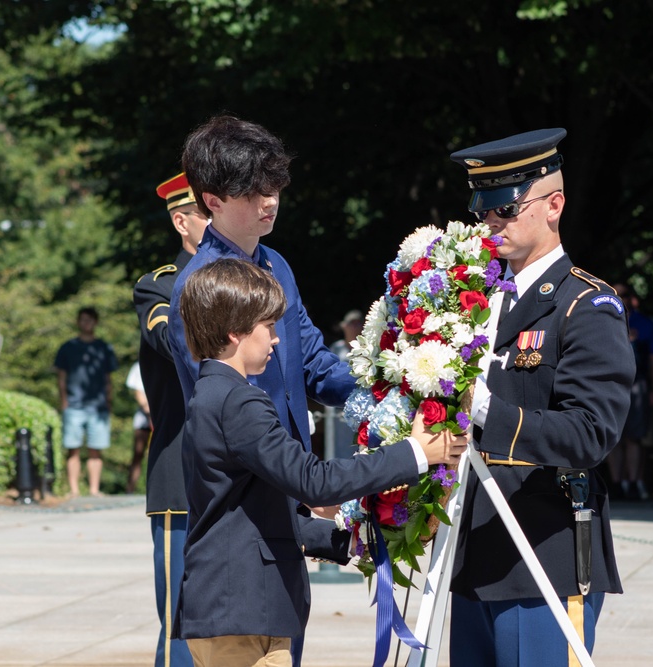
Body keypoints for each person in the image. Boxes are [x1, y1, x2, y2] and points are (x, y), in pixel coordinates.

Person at [172, 258, 467, 667]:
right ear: (234, 332)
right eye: (269, 327)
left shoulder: (209, 394)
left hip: (228, 608)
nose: (276, 341)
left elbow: (245, 513)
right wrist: (416, 452)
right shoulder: (239, 400)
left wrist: (343, 541)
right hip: (243, 614)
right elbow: (314, 483)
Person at [167, 115, 358, 666]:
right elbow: (223, 401)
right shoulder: (201, 289)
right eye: (253, 191)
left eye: (274, 187)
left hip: (290, 488)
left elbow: (317, 366)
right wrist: (308, 479)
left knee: (282, 643)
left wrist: (385, 390)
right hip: (252, 490)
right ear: (212, 199)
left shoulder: (278, 267)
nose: (269, 201)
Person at [448, 128, 636, 665]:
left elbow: (590, 435)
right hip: (476, 551)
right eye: (483, 207)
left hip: (544, 553)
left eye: (506, 207)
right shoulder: (475, 303)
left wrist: (486, 410)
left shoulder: (586, 305)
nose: (491, 222)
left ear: (554, 205)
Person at [133, 171, 209, 667]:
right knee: (181, 625)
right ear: (183, 220)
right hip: (180, 478)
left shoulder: (259, 278)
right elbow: (172, 343)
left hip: (242, 477)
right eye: (209, 211)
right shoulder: (159, 287)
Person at [54, 306, 119, 498]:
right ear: (78, 322)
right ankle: (74, 491)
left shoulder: (104, 348)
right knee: (72, 449)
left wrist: (108, 401)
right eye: (83, 319)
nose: (86, 323)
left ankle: (94, 489)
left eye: (90, 319)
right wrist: (64, 401)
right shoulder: (67, 347)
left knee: (95, 450)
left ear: (95, 322)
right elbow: (61, 377)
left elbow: (109, 379)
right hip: (74, 405)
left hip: (98, 407)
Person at [608, 283, 653, 501]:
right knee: (613, 438)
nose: (620, 297)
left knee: (634, 438)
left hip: (637, 386)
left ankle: (634, 484)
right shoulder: (602, 318)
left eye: (625, 294)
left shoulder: (645, 324)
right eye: (615, 293)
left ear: (633, 299)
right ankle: (616, 484)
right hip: (610, 386)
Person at [327, 309, 363, 459]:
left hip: (360, 408)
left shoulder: (367, 349)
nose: (354, 328)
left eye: (357, 323)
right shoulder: (336, 349)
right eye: (351, 324)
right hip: (336, 412)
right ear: (344, 326)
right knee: (335, 446)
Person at [125, 361, 151, 493]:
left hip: (162, 416)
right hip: (144, 417)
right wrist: (148, 410)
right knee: (138, 452)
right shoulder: (138, 366)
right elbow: (138, 392)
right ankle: (130, 488)